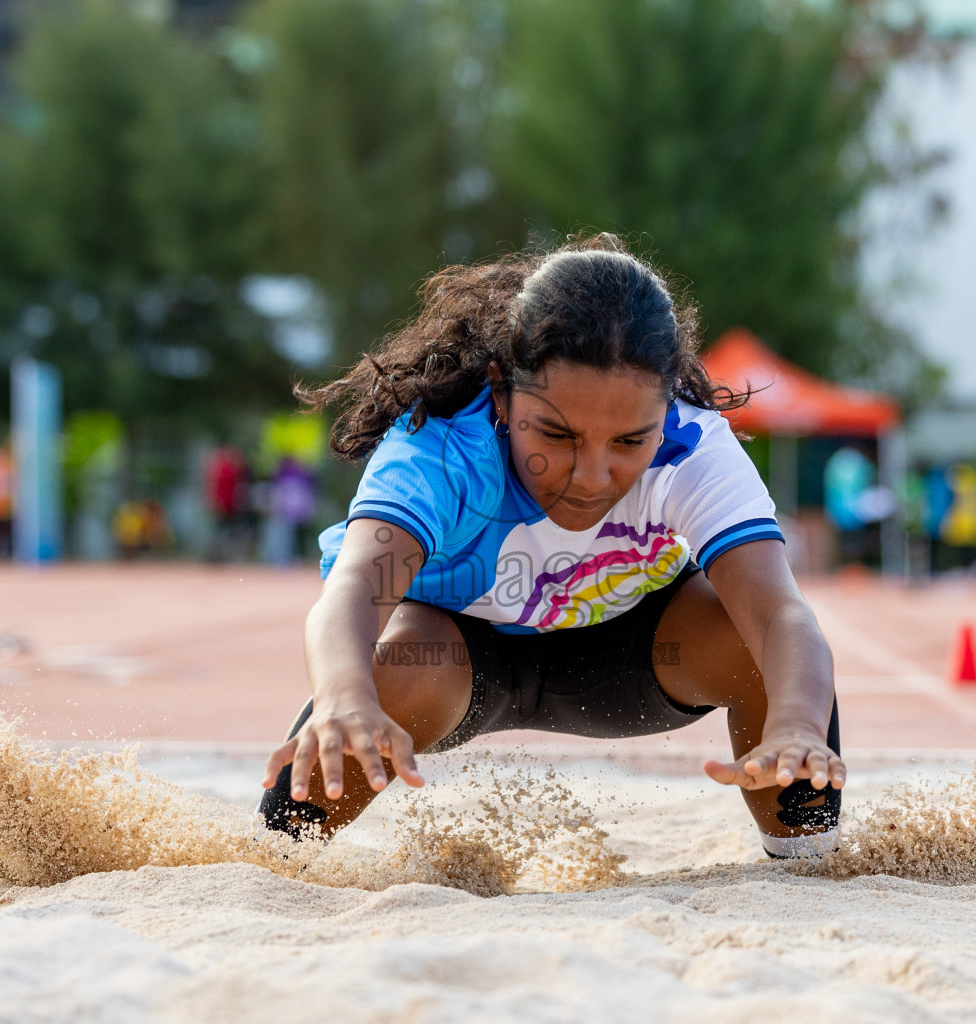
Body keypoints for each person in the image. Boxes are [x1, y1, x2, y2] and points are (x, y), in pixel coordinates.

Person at [256, 235, 846, 861]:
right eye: (557, 434)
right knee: (380, 682)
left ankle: (806, 861)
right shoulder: (442, 451)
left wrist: (799, 726)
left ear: (666, 404)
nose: (590, 476)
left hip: (631, 655)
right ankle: (276, 854)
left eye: (628, 442)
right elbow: (353, 588)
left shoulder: (694, 447)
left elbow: (781, 611)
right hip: (454, 655)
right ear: (502, 395)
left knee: (773, 661)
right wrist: (344, 696)